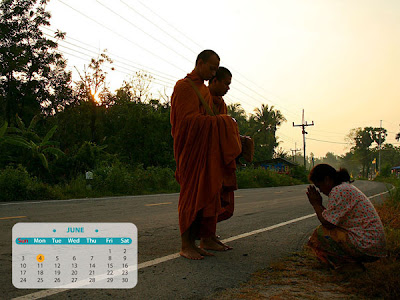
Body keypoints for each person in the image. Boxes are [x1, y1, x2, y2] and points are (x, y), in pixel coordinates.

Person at [170, 50, 242, 260]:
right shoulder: (184, 86)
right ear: (199, 63)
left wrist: (221, 124)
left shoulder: (205, 91)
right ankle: (186, 244)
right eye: (211, 68)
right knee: (191, 197)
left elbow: (206, 119)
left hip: (206, 153)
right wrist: (224, 123)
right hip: (191, 152)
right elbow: (186, 123)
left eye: (215, 70)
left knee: (209, 196)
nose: (213, 73)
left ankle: (204, 238)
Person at [306, 163, 387, 270]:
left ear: (327, 180)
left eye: (319, 186)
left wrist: (316, 204)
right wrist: (319, 204)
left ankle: (348, 265)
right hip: (372, 244)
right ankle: (349, 264)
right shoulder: (344, 188)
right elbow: (331, 218)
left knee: (321, 233)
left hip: (367, 244)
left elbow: (328, 224)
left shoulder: (339, 191)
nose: (320, 190)